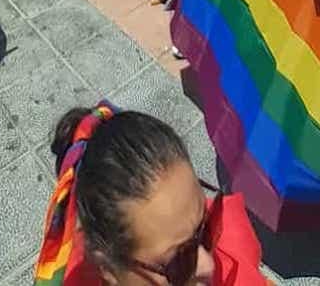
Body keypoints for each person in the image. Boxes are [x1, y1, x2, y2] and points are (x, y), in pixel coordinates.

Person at [41, 105, 263, 285]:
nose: (209, 265)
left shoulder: (233, 260)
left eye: (205, 228)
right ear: (107, 269)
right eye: (179, 264)